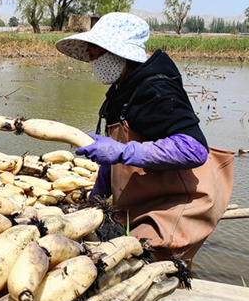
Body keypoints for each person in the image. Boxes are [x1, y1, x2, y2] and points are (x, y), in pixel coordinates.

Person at [55, 13, 234, 265]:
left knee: (147, 265)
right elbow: (113, 157)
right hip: (147, 199)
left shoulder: (155, 89)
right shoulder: (121, 90)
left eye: (96, 53)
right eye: (90, 54)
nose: (92, 61)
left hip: (178, 204)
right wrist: (96, 197)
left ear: (118, 53)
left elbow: (194, 149)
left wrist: (123, 152)